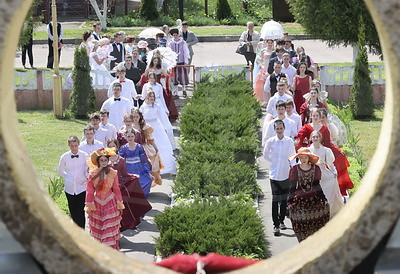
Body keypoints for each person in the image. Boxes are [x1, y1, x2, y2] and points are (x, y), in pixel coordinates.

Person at [295, 108, 354, 196]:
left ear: (319, 117)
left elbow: (328, 143)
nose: (315, 117)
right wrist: (301, 151)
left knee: (334, 165)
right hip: (311, 151)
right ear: (311, 116)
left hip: (322, 150)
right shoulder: (306, 127)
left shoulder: (324, 128)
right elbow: (299, 139)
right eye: (313, 115)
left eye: (317, 116)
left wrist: (338, 151)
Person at [107, 139, 152, 231]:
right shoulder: (103, 159)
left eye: (113, 146)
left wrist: (133, 176)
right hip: (107, 186)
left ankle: (122, 224)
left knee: (123, 204)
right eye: (110, 146)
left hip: (119, 185)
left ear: (117, 147)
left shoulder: (121, 160)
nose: (112, 148)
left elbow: (125, 174)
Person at [85, 148, 124, 250]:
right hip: (97, 205)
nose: (103, 162)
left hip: (110, 204)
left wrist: (119, 203)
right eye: (101, 160)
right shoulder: (92, 173)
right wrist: (89, 205)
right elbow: (89, 190)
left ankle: (109, 250)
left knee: (108, 228)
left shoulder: (113, 173)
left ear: (108, 161)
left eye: (105, 160)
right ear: (98, 162)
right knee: (98, 231)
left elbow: (116, 189)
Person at [287, 147, 330, 242]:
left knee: (317, 218)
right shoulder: (295, 169)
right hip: (299, 199)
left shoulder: (316, 169)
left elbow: (317, 185)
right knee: (299, 219)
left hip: (314, 197)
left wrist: (323, 198)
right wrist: (289, 201)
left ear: (309, 158)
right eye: (301, 158)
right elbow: (292, 187)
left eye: (305, 157)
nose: (303, 160)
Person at [263, 120, 296, 236]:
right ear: (274, 129)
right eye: (277, 129)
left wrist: (294, 170)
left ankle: (281, 220)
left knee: (284, 200)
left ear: (284, 128)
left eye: (281, 128)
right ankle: (275, 224)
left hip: (286, 174)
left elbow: (293, 156)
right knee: (275, 199)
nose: (279, 131)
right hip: (274, 175)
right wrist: (274, 162)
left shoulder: (289, 141)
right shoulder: (271, 142)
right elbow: (265, 154)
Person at [309, 131, 344, 217]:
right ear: (311, 138)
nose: (315, 138)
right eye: (313, 137)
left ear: (320, 138)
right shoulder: (309, 150)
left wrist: (334, 172)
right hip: (313, 174)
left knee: (326, 194)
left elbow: (330, 164)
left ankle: (326, 213)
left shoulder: (325, 150)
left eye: (317, 137)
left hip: (324, 174)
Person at [140, 91, 177, 174]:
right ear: (147, 97)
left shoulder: (157, 106)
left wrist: (167, 127)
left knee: (161, 145)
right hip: (147, 127)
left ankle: (163, 165)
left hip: (156, 126)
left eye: (153, 96)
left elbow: (163, 117)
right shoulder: (143, 107)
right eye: (150, 96)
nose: (152, 98)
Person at [57, 136, 88, 228]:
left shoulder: (85, 156)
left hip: (81, 188)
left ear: (79, 144)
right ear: (68, 145)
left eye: (75, 145)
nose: (74, 148)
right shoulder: (64, 157)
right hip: (70, 188)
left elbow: (87, 170)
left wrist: (86, 178)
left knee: (80, 211)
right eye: (72, 146)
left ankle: (82, 231)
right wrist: (68, 177)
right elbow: (60, 171)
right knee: (73, 210)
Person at [132, 108, 163, 186]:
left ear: (140, 117)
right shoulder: (129, 126)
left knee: (148, 165)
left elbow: (150, 138)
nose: (135, 119)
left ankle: (146, 184)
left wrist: (155, 147)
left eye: (137, 117)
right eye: (134, 117)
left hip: (143, 147)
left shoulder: (144, 126)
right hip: (133, 148)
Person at [119, 129, 154, 198]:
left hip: (139, 168)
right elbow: (120, 160)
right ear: (126, 137)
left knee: (145, 182)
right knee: (131, 186)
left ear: (135, 137)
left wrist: (149, 172)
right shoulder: (123, 148)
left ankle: (142, 201)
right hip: (128, 169)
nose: (130, 138)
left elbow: (144, 160)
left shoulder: (139, 147)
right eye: (128, 136)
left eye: (132, 136)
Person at [169, 28, 190, 97]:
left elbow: (186, 52)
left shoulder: (183, 42)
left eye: (176, 35)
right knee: (175, 79)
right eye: (174, 35)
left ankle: (184, 90)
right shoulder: (171, 43)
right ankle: (176, 93)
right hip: (174, 64)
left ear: (179, 35)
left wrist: (186, 61)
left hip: (181, 62)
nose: (175, 36)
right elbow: (169, 53)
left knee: (182, 77)